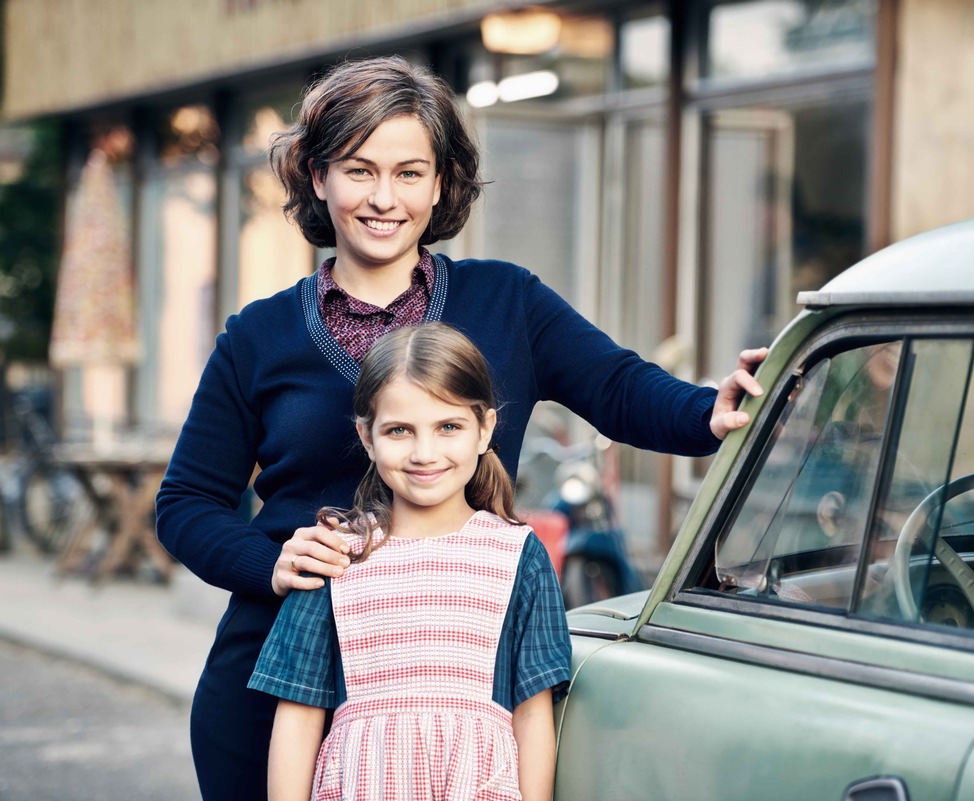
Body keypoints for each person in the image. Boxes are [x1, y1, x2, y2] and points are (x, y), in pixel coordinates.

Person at [155, 54, 765, 801]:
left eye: (410, 173)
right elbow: (185, 503)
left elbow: (618, 387)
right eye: (358, 170)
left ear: (442, 182)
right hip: (276, 695)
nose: (384, 198)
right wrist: (272, 561)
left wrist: (708, 409)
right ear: (317, 177)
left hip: (458, 700)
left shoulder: (508, 301)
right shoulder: (258, 335)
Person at [249, 323, 568, 801]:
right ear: (368, 437)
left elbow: (534, 713)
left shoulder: (518, 554)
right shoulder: (337, 554)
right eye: (400, 430)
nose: (424, 453)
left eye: (449, 427)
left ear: (484, 430)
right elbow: (297, 716)